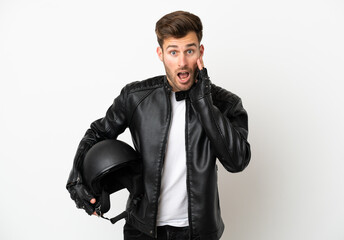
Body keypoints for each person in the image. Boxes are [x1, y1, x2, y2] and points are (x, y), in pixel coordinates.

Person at [66, 10, 251, 240]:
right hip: (142, 229)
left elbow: (237, 161)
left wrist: (203, 102)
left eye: (189, 51)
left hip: (199, 233)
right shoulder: (135, 97)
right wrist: (76, 181)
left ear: (200, 53)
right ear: (160, 54)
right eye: (173, 52)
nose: (182, 62)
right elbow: (98, 133)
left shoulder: (226, 104)